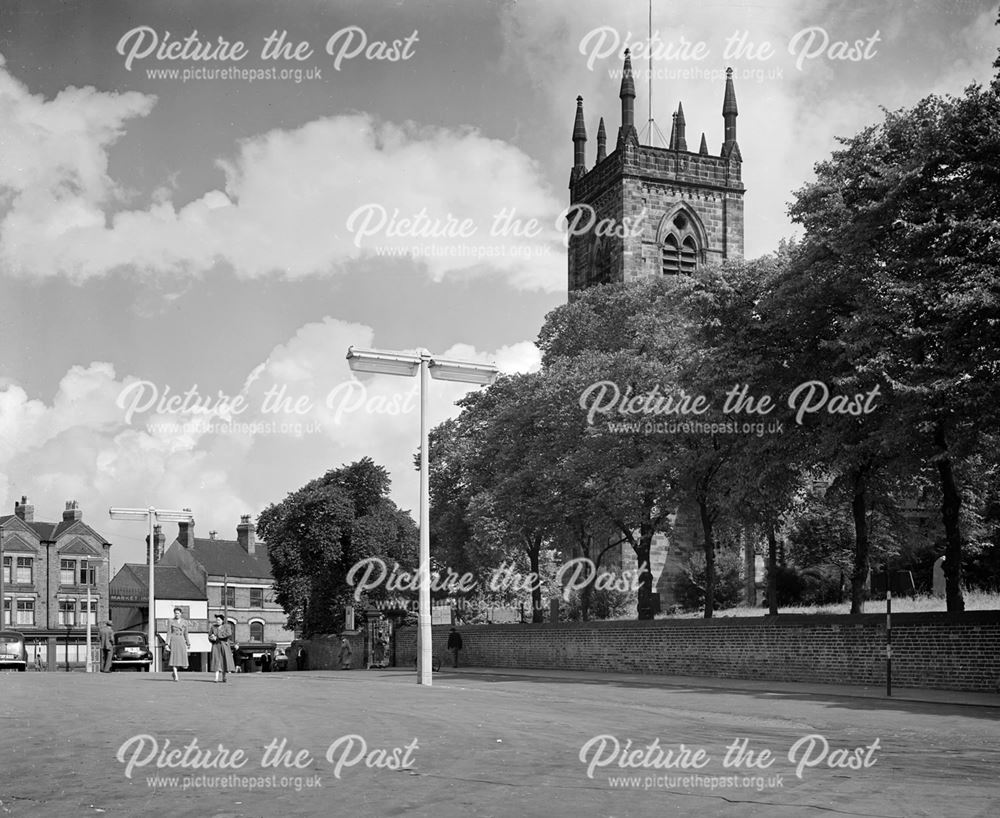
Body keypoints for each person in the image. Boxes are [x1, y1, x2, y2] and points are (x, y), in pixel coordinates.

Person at [209, 613, 236, 683]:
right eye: (216, 620)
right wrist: (212, 638)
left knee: (224, 661)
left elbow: (229, 633)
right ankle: (216, 678)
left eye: (219, 620)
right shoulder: (213, 627)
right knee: (216, 661)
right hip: (216, 646)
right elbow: (209, 636)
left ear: (222, 620)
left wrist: (218, 636)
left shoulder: (227, 626)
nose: (217, 621)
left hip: (224, 645)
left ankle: (224, 677)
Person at [165, 608, 190, 682]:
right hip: (174, 640)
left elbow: (186, 634)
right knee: (174, 658)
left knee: (184, 663)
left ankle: (174, 672)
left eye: (178, 613)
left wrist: (188, 643)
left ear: (181, 613)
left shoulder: (185, 622)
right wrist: (167, 644)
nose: (176, 614)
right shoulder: (171, 621)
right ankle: (176, 675)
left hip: (181, 640)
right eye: (175, 613)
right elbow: (169, 633)